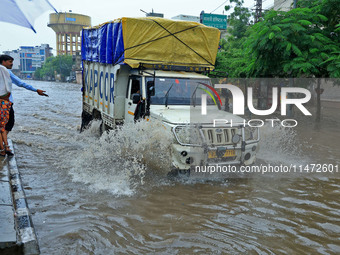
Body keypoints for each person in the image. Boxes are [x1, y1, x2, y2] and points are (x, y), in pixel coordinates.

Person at [0, 55, 48, 136]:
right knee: (9, 124)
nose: (11, 64)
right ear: (3, 62)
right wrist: (36, 90)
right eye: (10, 62)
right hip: (5, 102)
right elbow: (20, 83)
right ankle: (3, 145)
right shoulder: (6, 72)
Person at [0, 62, 13, 156]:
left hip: (2, 101)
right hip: (6, 101)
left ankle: (2, 150)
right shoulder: (4, 70)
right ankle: (6, 147)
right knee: (2, 127)